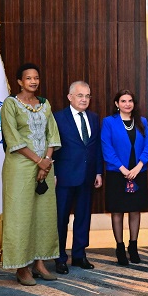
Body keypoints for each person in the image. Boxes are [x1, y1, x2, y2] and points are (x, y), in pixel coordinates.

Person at [1, 63, 61, 286]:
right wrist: (38, 161)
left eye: (36, 77)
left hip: (46, 166)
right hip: (20, 168)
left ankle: (40, 263)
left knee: (44, 215)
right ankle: (21, 267)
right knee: (21, 216)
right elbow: (12, 138)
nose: (33, 81)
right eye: (28, 78)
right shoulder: (10, 104)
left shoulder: (44, 104)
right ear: (19, 81)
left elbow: (52, 134)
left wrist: (46, 162)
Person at [52, 81, 103, 274]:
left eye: (87, 96)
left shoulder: (94, 117)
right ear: (70, 97)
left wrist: (98, 171)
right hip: (64, 177)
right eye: (80, 95)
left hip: (87, 176)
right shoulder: (57, 118)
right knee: (61, 219)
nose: (84, 99)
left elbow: (96, 147)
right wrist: (53, 173)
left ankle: (79, 255)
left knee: (83, 217)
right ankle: (59, 258)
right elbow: (52, 146)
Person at [101, 90, 148, 266]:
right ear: (117, 104)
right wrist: (123, 169)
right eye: (123, 101)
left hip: (138, 173)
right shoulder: (109, 122)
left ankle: (133, 246)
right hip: (117, 173)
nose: (127, 104)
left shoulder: (142, 122)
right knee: (117, 211)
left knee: (135, 210)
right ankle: (120, 248)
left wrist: (138, 167)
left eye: (130, 101)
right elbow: (107, 148)